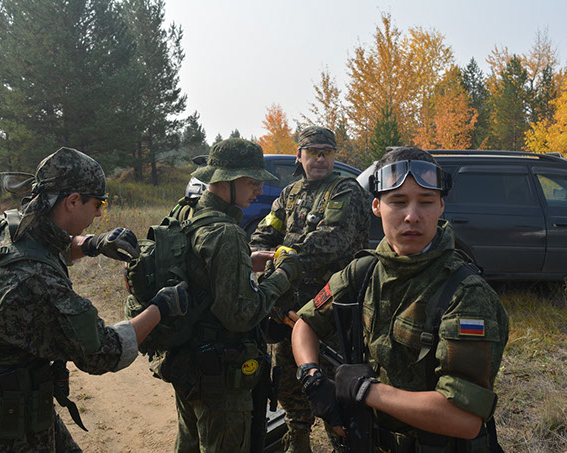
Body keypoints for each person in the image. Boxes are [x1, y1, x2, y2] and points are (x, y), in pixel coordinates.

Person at [0, 147, 188, 452]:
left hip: (14, 398)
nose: (100, 213)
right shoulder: (38, 282)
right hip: (11, 425)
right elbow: (103, 351)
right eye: (98, 203)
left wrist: (93, 244)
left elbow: (44, 243)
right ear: (73, 201)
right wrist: (161, 307)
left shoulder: (6, 226)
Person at [291, 147, 509, 452]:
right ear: (377, 206)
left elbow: (464, 418)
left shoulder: (465, 293)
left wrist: (365, 391)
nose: (412, 216)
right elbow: (306, 323)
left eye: (426, 202)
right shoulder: (365, 270)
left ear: (441, 206)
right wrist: (311, 376)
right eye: (398, 202)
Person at [160, 138, 301, 453]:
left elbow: (196, 271)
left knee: (189, 442)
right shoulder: (226, 233)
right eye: (252, 182)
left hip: (186, 360)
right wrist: (282, 275)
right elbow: (241, 315)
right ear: (225, 181)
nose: (259, 190)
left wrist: (244, 263)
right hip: (220, 375)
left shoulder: (186, 212)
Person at [249, 126, 371, 452]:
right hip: (291, 305)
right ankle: (298, 437)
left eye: (326, 153)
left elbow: (331, 240)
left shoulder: (345, 190)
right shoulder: (289, 194)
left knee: (336, 383)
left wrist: (279, 260)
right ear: (299, 156)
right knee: (288, 379)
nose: (319, 159)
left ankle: (343, 442)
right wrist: (260, 252)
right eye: (313, 152)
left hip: (333, 307)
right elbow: (266, 231)